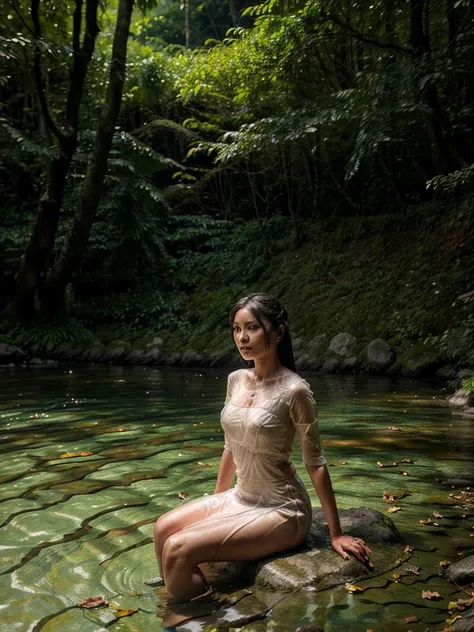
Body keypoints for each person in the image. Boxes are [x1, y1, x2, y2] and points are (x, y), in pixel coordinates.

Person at [154, 293, 372, 610]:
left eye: (253, 328)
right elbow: (232, 444)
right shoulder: (236, 380)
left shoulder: (295, 389)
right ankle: (179, 600)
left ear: (278, 333)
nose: (242, 338)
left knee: (176, 548)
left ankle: (199, 617)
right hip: (242, 495)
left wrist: (336, 533)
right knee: (163, 530)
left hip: (282, 508)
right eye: (236, 328)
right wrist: (214, 500)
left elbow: (316, 463)